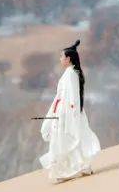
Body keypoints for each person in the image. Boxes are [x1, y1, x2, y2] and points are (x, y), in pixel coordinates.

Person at [39, 40, 101, 182]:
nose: (60, 59)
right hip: (62, 111)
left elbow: (73, 96)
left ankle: (73, 169)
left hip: (66, 113)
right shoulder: (69, 73)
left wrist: (72, 113)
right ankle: (71, 169)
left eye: (62, 57)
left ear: (68, 58)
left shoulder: (71, 74)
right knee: (63, 140)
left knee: (68, 139)